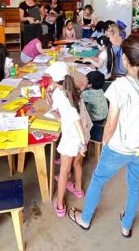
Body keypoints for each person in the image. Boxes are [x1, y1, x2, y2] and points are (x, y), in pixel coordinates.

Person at [68, 35, 139, 237]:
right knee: (135, 183)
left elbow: (111, 123)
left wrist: (104, 145)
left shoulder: (120, 86)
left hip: (119, 147)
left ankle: (84, 219)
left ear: (124, 59)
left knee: (97, 179)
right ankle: (126, 225)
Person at [45, 62, 91, 218]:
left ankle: (59, 204)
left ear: (56, 81)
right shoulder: (73, 89)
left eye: (51, 80)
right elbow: (65, 114)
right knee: (77, 163)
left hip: (74, 136)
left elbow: (75, 119)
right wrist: (51, 98)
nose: (50, 82)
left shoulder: (61, 95)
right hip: (84, 131)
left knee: (64, 171)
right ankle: (78, 189)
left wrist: (83, 144)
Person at [82, 71, 109, 143]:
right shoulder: (100, 90)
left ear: (90, 84)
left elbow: (77, 96)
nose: (84, 81)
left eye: (86, 80)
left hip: (95, 120)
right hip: (103, 117)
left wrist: (83, 87)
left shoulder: (88, 94)